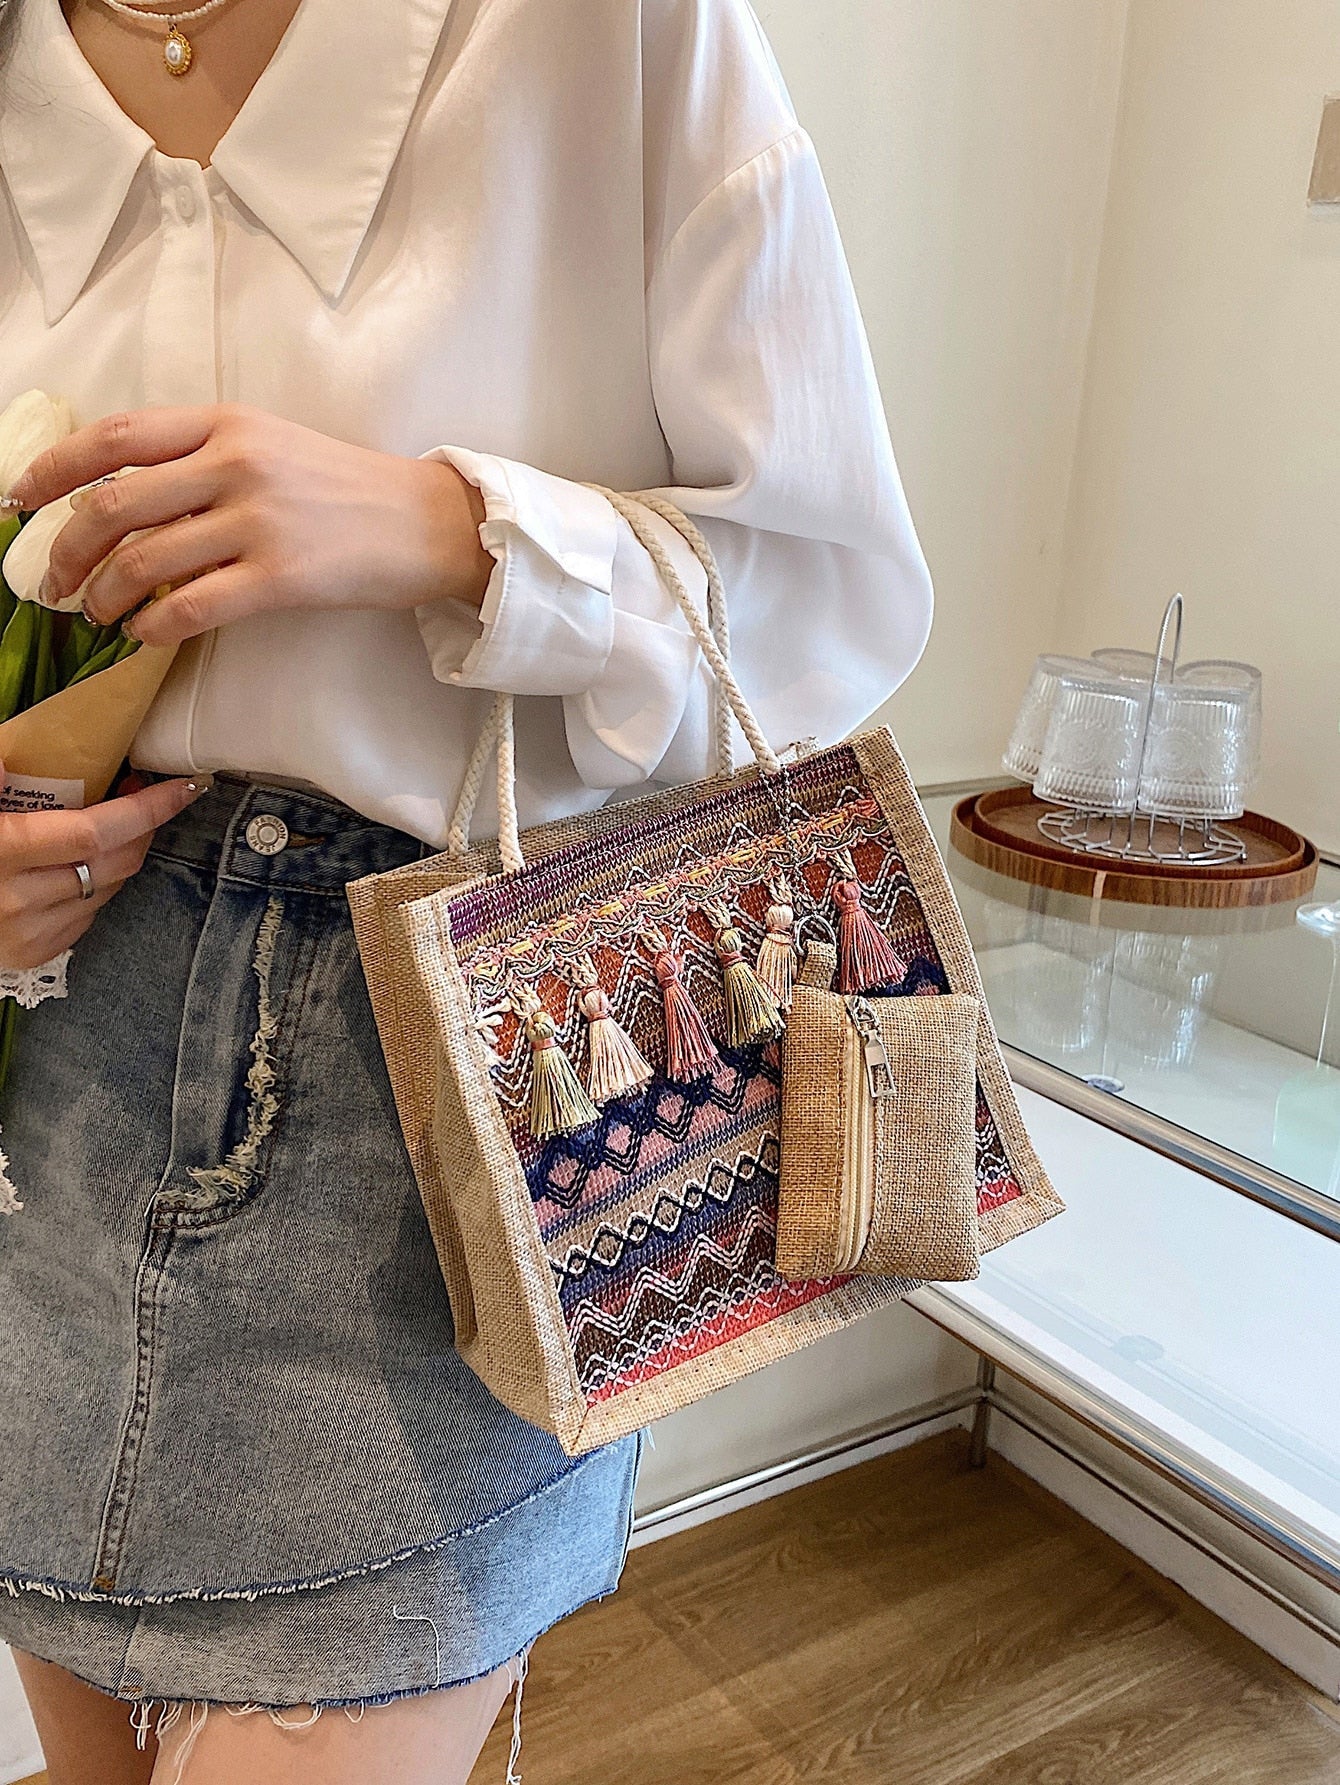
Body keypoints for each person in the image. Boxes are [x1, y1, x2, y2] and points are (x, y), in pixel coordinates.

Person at [0, 0, 934, 1778]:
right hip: (42, 1094)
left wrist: (456, 528)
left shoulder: (611, 35)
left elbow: (830, 605)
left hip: (448, 1107)